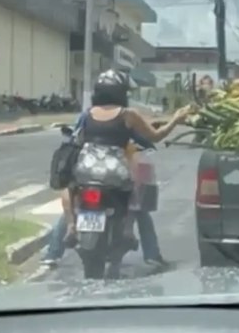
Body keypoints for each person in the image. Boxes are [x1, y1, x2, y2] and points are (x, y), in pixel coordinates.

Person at [43, 69, 191, 267]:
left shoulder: (87, 114)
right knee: (138, 196)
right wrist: (176, 119)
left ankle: (59, 244)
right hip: (114, 171)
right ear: (122, 93)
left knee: (73, 194)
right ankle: (137, 239)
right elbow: (155, 136)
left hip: (86, 170)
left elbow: (74, 138)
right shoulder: (128, 115)